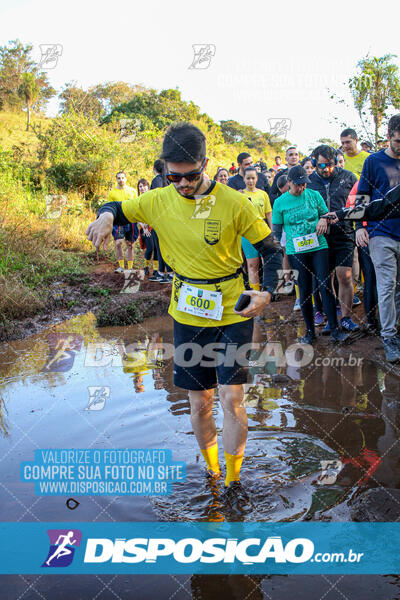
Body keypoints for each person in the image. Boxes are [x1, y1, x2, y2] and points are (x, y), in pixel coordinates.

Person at [87, 122, 283, 501]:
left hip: (232, 309)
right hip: (188, 311)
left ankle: (232, 482)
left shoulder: (234, 202)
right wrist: (107, 216)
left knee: (231, 397)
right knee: (199, 401)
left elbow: (273, 250)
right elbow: (116, 207)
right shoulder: (157, 201)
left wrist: (267, 292)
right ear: (164, 169)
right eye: (173, 176)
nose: (182, 184)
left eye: (191, 176)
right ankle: (212, 473)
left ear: (205, 164)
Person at [272, 165, 349, 344]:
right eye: (298, 185)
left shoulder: (314, 195)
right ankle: (309, 332)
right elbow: (276, 230)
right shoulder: (280, 202)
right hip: (296, 251)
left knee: (325, 285)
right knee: (305, 291)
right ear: (289, 182)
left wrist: (324, 219)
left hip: (318, 246)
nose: (302, 188)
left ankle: (335, 329)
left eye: (304, 184)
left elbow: (328, 215)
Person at [346, 115, 400, 362]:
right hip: (381, 233)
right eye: (399, 141)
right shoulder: (374, 161)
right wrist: (359, 226)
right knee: (386, 285)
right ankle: (389, 336)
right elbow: (362, 197)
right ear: (389, 136)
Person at [307, 145, 359, 333]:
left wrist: (339, 215)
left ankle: (345, 317)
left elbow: (360, 207)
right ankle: (331, 319)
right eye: (321, 165)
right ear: (313, 162)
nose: (326, 169)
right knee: (324, 279)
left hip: (344, 234)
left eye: (330, 165)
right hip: (319, 237)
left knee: (344, 276)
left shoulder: (349, 177)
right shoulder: (309, 181)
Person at [241, 166, 272, 291]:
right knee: (252, 264)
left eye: (253, 178)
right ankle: (255, 292)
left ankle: (270, 290)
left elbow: (269, 213)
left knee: (268, 262)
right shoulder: (240, 195)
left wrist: (272, 231)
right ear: (244, 179)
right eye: (248, 178)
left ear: (257, 178)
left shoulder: (263, 194)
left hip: (263, 232)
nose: (250, 181)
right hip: (247, 234)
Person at [149, 159, 173, 283]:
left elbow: (155, 200)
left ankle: (169, 273)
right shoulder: (169, 180)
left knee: (161, 247)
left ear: (155, 168)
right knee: (161, 247)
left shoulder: (157, 180)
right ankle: (160, 272)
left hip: (159, 219)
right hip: (168, 218)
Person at [109, 171, 138, 273]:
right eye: (118, 178)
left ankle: (130, 268)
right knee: (118, 243)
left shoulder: (133, 191)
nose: (121, 180)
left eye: (122, 178)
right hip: (118, 220)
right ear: (116, 180)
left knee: (130, 244)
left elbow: (136, 206)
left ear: (126, 179)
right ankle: (121, 266)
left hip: (130, 220)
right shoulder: (112, 192)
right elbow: (111, 207)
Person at [137, 178, 155, 277]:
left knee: (156, 248)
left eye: (144, 185)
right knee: (150, 248)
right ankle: (146, 267)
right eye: (140, 186)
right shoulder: (138, 200)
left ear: (148, 186)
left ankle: (156, 269)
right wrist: (144, 227)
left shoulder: (152, 198)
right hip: (144, 227)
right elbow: (136, 215)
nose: (142, 188)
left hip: (154, 225)